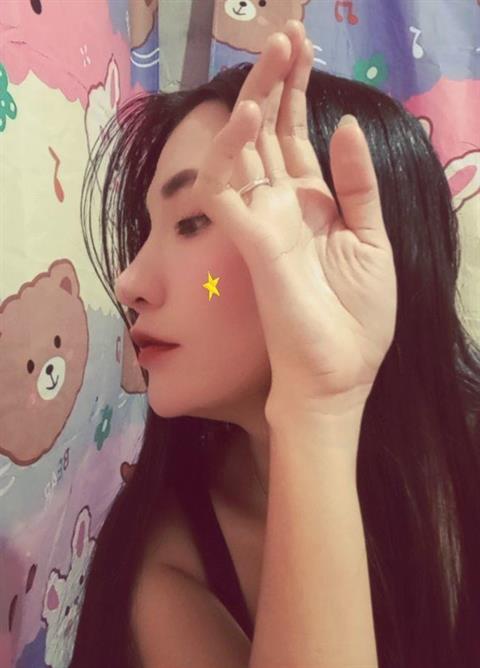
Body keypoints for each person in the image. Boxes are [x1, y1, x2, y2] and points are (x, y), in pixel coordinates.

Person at [71, 19, 480, 668]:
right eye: (149, 229)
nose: (129, 283)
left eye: (194, 221)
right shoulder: (169, 561)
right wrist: (318, 409)